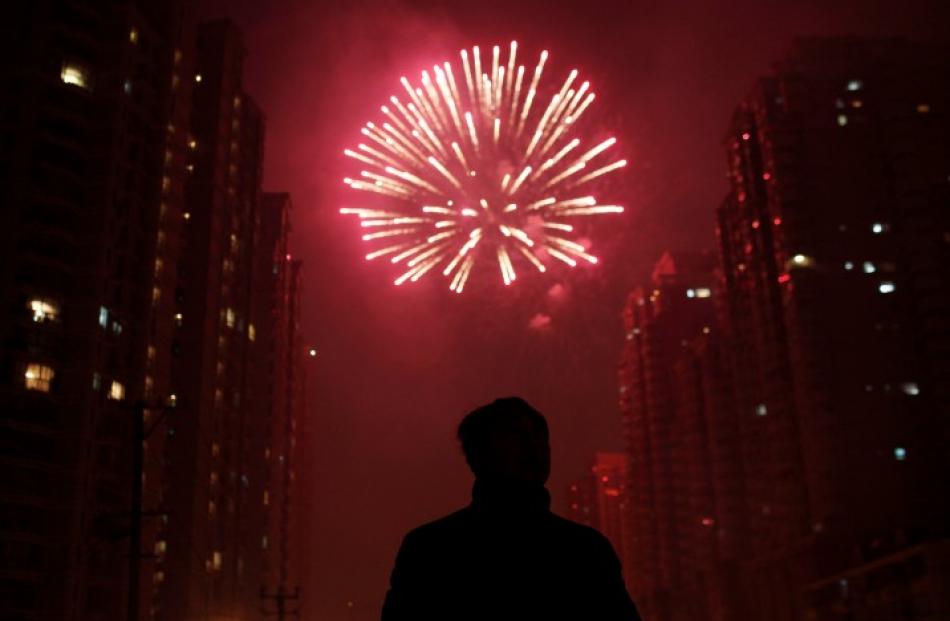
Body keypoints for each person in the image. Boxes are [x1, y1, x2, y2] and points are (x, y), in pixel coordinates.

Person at [381, 397, 641, 620]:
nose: (533, 448)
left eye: (539, 438)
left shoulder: (588, 550)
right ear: (478, 454)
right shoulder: (428, 549)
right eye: (516, 436)